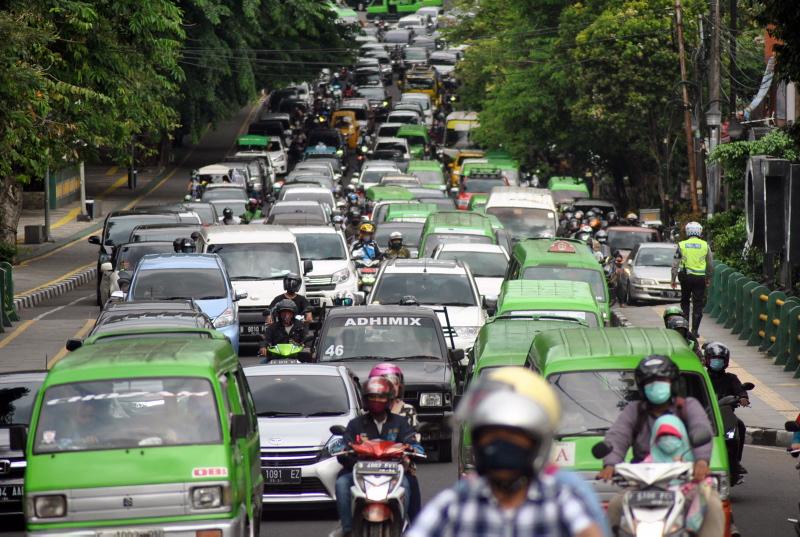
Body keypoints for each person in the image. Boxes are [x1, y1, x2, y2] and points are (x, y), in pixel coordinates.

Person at [409, 368, 605, 537]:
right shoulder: (457, 503)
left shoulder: (560, 498)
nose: (501, 446)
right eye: (491, 435)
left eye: (515, 437)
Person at [596, 355, 724, 537]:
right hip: (642, 482)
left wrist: (701, 461)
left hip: (684, 481)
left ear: (672, 383)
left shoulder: (688, 406)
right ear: (642, 386)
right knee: (616, 505)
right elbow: (618, 436)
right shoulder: (634, 410)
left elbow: (701, 429)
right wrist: (610, 464)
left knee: (711, 503)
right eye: (650, 381)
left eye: (661, 380)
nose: (656, 385)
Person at [335, 377, 422, 537]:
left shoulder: (400, 423)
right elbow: (343, 444)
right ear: (365, 400)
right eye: (372, 397)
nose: (377, 401)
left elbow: (412, 442)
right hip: (360, 471)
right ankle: (347, 529)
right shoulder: (355, 424)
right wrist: (344, 449)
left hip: (393, 473)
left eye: (381, 397)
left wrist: (413, 449)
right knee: (341, 483)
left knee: (408, 484)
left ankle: (404, 527)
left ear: (389, 400)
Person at [368, 364, 422, 522]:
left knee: (409, 485)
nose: (390, 386)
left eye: (394, 381)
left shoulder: (407, 411)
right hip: (370, 470)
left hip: (401, 470)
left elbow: (414, 440)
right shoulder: (367, 413)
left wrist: (410, 450)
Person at [704, 342, 749, 478]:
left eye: (720, 359)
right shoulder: (703, 377)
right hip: (704, 415)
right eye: (714, 359)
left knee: (740, 426)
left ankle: (735, 462)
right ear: (707, 360)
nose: (717, 362)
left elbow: (740, 390)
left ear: (726, 362)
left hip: (726, 417)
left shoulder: (731, 378)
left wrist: (743, 398)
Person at [672, 221, 714, 337]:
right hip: (700, 279)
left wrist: (673, 278)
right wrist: (708, 278)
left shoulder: (682, 245)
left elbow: (675, 263)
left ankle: (684, 329)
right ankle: (695, 331)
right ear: (700, 232)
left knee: (685, 301)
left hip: (685, 278)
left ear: (687, 232)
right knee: (698, 304)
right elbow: (710, 264)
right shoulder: (705, 245)